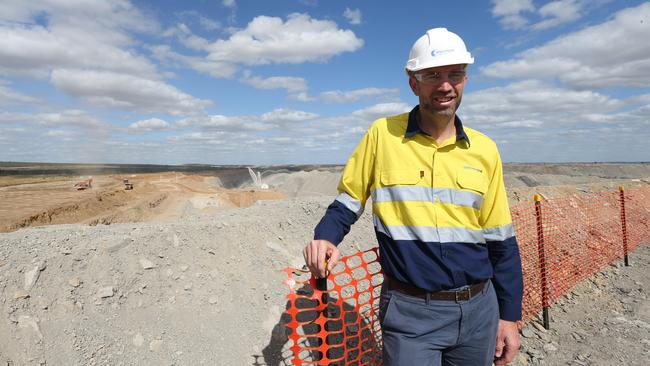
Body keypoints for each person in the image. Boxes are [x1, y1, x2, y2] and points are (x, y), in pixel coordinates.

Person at [303, 28, 523, 365]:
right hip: (410, 315)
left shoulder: (485, 149)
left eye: (455, 74)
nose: (445, 85)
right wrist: (325, 238)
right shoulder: (382, 135)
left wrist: (508, 316)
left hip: (480, 310)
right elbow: (348, 201)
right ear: (413, 83)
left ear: (465, 80)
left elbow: (501, 240)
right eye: (433, 75)